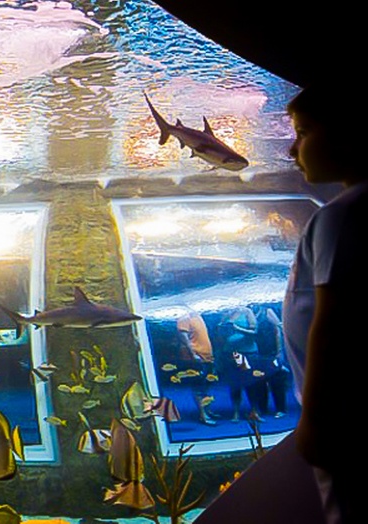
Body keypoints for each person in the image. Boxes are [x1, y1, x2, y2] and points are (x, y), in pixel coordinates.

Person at [283, 83, 364, 523]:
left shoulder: (342, 215)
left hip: (344, 423)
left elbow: (334, 324)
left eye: (304, 132)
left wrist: (314, 421)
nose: (292, 148)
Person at [217, 306, 266, 422]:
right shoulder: (226, 312)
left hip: (246, 353)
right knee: (234, 384)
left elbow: (254, 332)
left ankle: (254, 411)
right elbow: (220, 334)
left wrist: (236, 328)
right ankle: (235, 412)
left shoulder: (247, 311)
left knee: (250, 383)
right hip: (230, 353)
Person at [175, 308, 219, 425]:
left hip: (206, 356)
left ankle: (207, 410)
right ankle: (202, 415)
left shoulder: (197, 315)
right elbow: (183, 336)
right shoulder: (184, 316)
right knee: (199, 387)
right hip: (195, 357)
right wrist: (193, 354)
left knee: (207, 384)